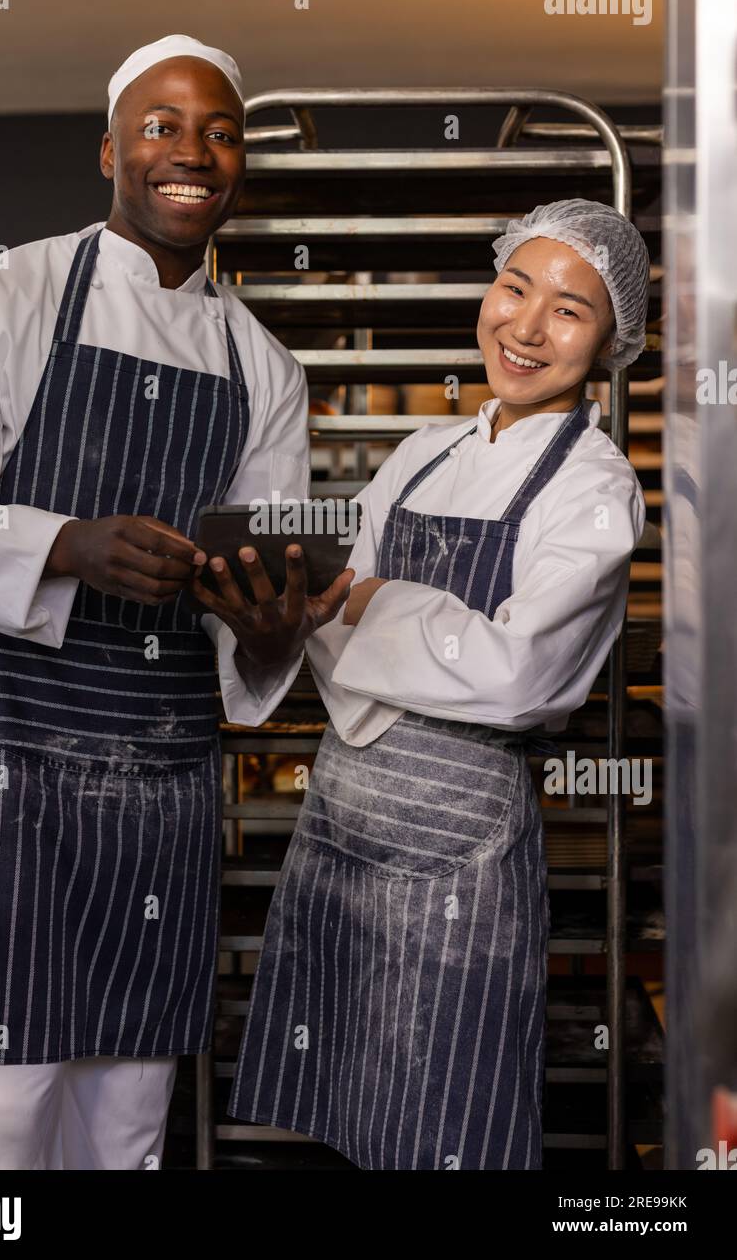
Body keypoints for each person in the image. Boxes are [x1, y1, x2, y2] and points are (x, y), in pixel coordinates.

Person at [0, 34, 350, 1170]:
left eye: (220, 131)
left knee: (130, 1105)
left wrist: (266, 620)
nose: (193, 150)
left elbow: (260, 587)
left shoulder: (262, 368)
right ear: (109, 150)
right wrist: (68, 544)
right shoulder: (0, 294)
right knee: (5, 1096)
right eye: (162, 125)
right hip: (6, 759)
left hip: (163, 769)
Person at [224, 198, 649, 1170]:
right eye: (514, 286)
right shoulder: (422, 455)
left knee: (450, 1126)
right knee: (344, 1123)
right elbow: (330, 604)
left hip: (460, 861)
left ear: (613, 340)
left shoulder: (595, 489)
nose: (527, 326)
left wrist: (364, 603)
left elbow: (520, 675)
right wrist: (316, 605)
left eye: (569, 310)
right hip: (341, 835)